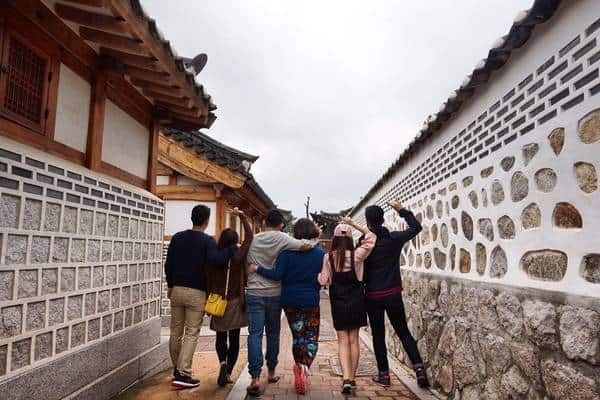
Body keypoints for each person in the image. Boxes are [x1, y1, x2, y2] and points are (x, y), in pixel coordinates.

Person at [245, 209, 319, 397]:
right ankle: (272, 372)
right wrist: (316, 237)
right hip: (275, 294)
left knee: (254, 334)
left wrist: (254, 268)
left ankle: (254, 377)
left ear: (263, 223)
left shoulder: (252, 239)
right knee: (273, 334)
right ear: (280, 225)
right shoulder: (283, 239)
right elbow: (305, 246)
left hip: (254, 292)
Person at [164, 204, 236, 389]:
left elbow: (168, 263)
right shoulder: (207, 241)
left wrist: (170, 285)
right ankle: (183, 373)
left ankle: (177, 370)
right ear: (206, 220)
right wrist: (230, 248)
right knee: (191, 333)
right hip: (197, 292)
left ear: (192, 218)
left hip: (176, 290)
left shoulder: (177, 238)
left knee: (175, 332)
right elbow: (216, 260)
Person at [362, 200, 429, 388]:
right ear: (383, 220)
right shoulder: (394, 238)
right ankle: (419, 369)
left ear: (367, 222)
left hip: (373, 296)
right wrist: (401, 210)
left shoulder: (364, 243)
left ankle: (384, 375)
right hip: (392, 293)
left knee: (378, 335)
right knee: (403, 331)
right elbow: (416, 227)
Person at [318, 217, 376, 394]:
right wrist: (354, 224)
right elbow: (371, 237)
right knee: (354, 339)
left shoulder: (328, 257)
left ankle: (345, 379)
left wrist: (317, 277)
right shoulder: (358, 254)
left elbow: (324, 280)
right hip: (357, 299)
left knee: (342, 340)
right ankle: (352, 378)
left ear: (334, 239)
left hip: (338, 301)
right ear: (350, 239)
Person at [205, 208, 251, 387]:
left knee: (220, 337)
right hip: (234, 302)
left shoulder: (213, 257)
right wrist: (242, 216)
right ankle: (229, 372)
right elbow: (249, 238)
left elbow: (207, 278)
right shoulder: (238, 256)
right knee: (235, 337)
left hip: (217, 301)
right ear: (235, 242)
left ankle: (222, 364)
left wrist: (207, 299)